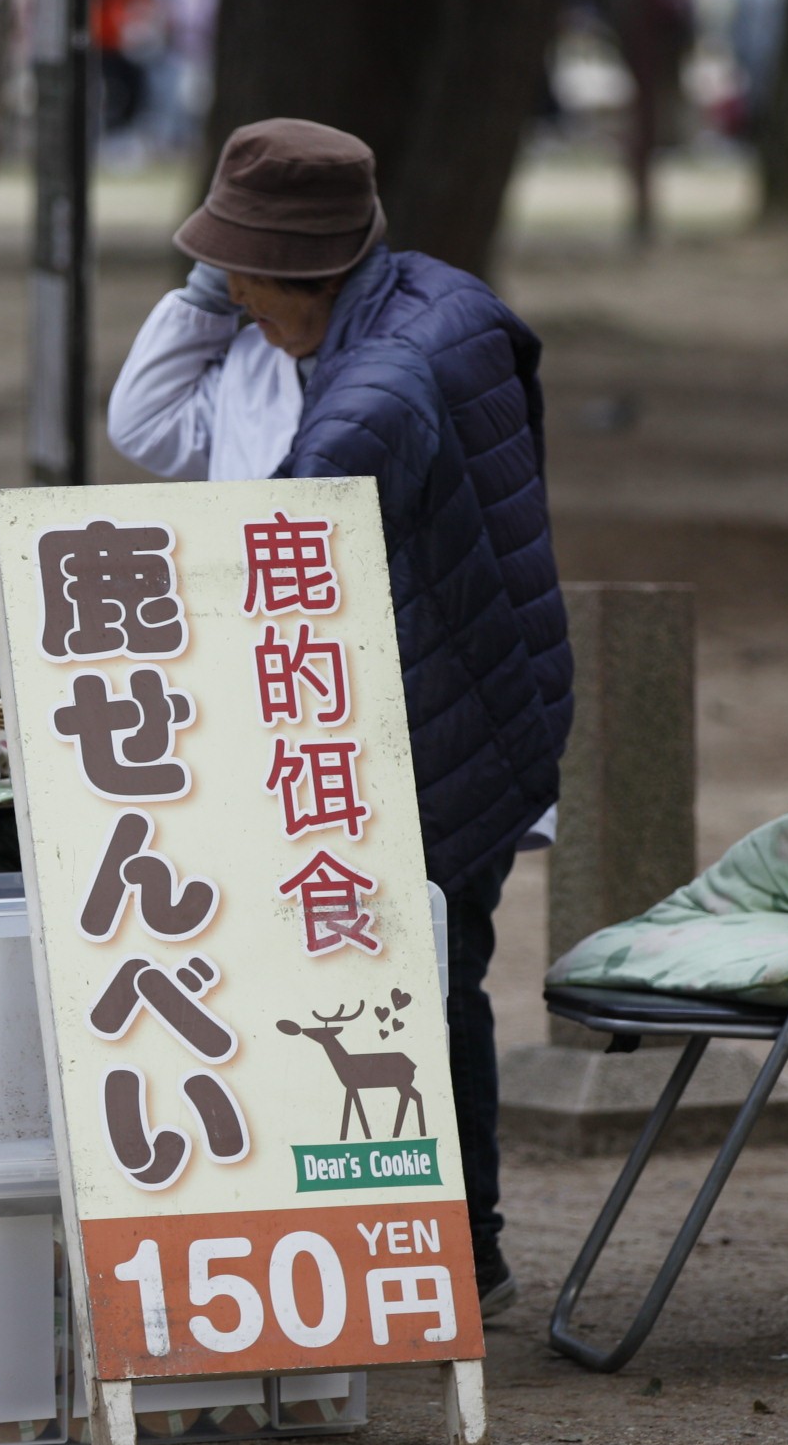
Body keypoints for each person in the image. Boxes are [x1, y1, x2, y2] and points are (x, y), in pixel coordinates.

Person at [107, 118, 572, 1313]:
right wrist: (217, 284)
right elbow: (143, 423)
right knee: (354, 971)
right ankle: (366, 1233)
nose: (238, 301)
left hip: (434, 714)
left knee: (434, 972)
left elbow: (302, 519)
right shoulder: (281, 341)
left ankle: (469, 1246)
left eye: (248, 278)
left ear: (311, 273)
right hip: (341, 719)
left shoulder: (388, 366)